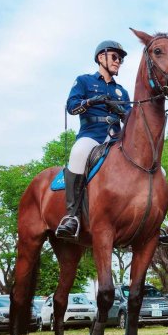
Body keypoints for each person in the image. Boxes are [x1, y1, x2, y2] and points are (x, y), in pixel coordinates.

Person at [56, 40, 131, 240]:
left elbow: (132, 120)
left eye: (121, 59)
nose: (118, 61)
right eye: (115, 57)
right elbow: (71, 107)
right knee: (78, 153)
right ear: (101, 57)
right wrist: (90, 101)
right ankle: (72, 216)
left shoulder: (121, 91)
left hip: (116, 138)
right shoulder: (84, 81)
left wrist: (123, 112)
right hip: (92, 134)